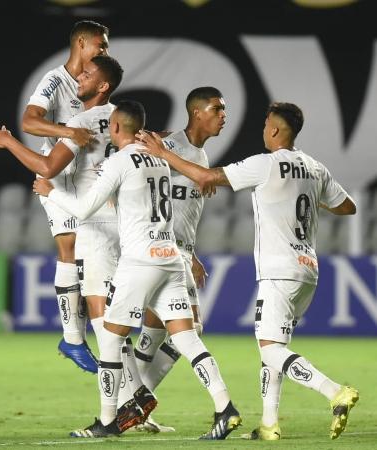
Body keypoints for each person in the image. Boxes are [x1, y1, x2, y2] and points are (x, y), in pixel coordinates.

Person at [136, 101, 359, 441]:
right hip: (308, 271)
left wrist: (162, 153)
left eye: (265, 124)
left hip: (278, 270)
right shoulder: (314, 167)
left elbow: (208, 177)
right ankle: (269, 424)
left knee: (271, 349)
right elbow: (348, 206)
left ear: (273, 130)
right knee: (275, 346)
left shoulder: (265, 164)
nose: (263, 130)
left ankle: (334, 392)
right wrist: (308, 194)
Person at [33, 100, 242, 440]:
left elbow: (84, 209)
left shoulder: (118, 161)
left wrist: (50, 191)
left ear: (116, 128)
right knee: (187, 338)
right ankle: (224, 407)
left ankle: (106, 421)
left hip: (140, 261)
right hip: (170, 258)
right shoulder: (159, 160)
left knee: (112, 338)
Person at [0, 21, 112, 374]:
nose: (104, 51)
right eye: (100, 46)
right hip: (56, 179)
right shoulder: (55, 80)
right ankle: (73, 338)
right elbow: (29, 121)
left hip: (86, 181)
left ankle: (86, 334)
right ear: (80, 43)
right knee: (70, 247)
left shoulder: (92, 83)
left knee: (87, 255)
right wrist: (66, 130)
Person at [130, 86, 226, 433]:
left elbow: (179, 208)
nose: (223, 117)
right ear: (197, 112)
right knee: (188, 328)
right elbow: (135, 170)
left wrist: (192, 252)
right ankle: (135, 404)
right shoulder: (166, 147)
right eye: (217, 109)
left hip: (180, 252)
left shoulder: (199, 159)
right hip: (160, 252)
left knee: (154, 334)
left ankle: (136, 406)